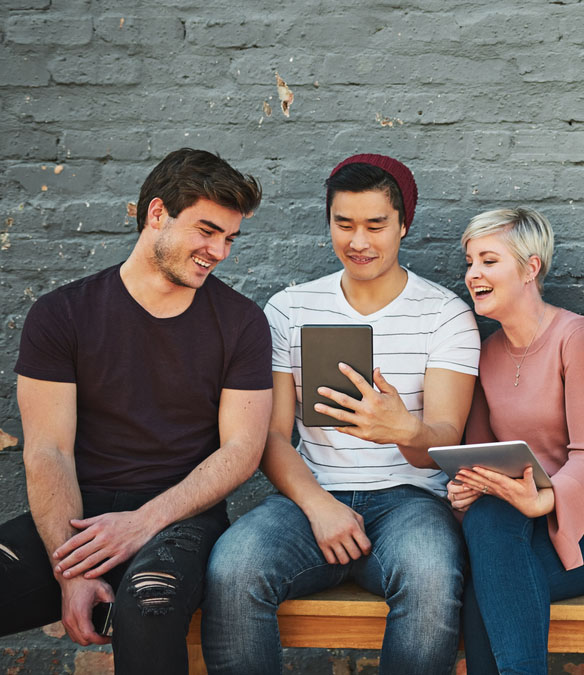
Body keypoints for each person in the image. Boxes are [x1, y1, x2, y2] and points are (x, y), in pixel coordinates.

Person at [201, 154, 479, 674]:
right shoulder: (290, 309)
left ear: (404, 225)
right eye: (344, 224)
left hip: (409, 502)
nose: (359, 241)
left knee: (432, 577)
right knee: (233, 568)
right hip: (310, 495)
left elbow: (444, 440)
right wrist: (318, 505)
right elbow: (274, 437)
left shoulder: (445, 315)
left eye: (376, 225)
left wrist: (405, 429)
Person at [0, 149, 270, 674]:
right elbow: (47, 450)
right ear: (156, 214)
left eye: (229, 239)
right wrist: (70, 571)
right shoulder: (63, 314)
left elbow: (242, 450)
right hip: (76, 515)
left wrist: (142, 523)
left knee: (150, 605)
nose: (218, 251)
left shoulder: (240, 322)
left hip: (180, 518)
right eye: (206, 231)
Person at [449, 207, 584, 675]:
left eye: (488, 261)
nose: (473, 274)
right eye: (470, 262)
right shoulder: (486, 353)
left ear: (531, 268)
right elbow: (480, 458)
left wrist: (544, 500)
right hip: (514, 526)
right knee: (488, 519)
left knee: (486, 590)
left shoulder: (579, 339)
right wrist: (467, 488)